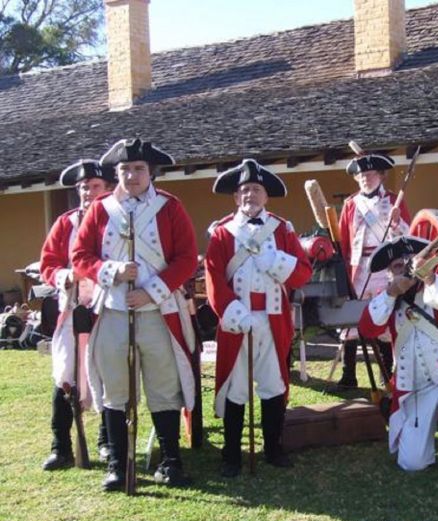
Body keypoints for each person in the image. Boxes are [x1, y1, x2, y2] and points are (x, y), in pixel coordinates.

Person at [72, 138, 198, 491]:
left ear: (150, 172)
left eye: (139, 169)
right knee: (116, 389)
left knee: (163, 386)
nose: (132, 175)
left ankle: (171, 461)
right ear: (117, 173)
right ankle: (117, 462)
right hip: (113, 310)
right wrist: (111, 271)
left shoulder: (170, 207)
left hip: (158, 311)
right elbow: (81, 255)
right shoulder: (101, 209)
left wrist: (150, 291)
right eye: (125, 169)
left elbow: (187, 258)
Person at [205, 159, 312, 476]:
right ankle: (231, 454)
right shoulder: (222, 233)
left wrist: (273, 259)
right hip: (237, 322)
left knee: (273, 385)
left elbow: (303, 274)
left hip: (273, 319)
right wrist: (234, 314)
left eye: (256, 189)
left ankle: (274, 448)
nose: (250, 195)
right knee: (235, 388)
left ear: (266, 197)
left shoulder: (282, 230)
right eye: (244, 190)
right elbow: (213, 279)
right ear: (236, 198)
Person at [359, 236, 438, 479]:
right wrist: (390, 293)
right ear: (391, 272)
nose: (406, 268)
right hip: (416, 389)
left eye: (410, 262)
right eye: (398, 266)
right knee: (412, 463)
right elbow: (367, 329)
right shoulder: (388, 299)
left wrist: (429, 277)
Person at [39, 159, 115, 470]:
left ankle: (107, 442)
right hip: (72, 310)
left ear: (107, 189)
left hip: (106, 310)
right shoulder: (65, 223)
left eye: (95, 186)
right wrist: (63, 277)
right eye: (83, 187)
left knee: (108, 377)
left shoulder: (117, 222)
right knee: (65, 376)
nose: (88, 192)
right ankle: (61, 446)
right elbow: (48, 264)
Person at [336, 153, 411, 389]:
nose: (365, 179)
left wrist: (398, 222)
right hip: (359, 269)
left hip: (385, 268)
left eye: (369, 174)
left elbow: (408, 236)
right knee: (351, 321)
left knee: (384, 317)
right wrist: (345, 269)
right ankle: (349, 375)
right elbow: (343, 241)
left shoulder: (394, 201)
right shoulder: (350, 204)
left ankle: (386, 372)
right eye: (361, 175)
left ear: (380, 175)